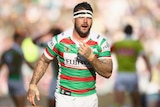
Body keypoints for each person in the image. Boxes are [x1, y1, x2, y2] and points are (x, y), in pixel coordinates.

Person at [27, 2, 113, 107]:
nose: (85, 21)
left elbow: (108, 72)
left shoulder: (100, 42)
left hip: (89, 98)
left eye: (88, 17)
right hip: (65, 98)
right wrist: (33, 84)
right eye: (81, 17)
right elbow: (44, 60)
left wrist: (91, 57)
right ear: (73, 20)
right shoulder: (59, 40)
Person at [111, 24, 151, 107]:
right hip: (132, 74)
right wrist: (150, 71)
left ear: (123, 31)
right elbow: (145, 58)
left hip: (121, 75)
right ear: (132, 32)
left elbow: (107, 52)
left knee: (118, 103)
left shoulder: (118, 43)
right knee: (136, 102)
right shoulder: (136, 44)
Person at [0, 29, 34, 107]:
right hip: (18, 81)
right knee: (21, 105)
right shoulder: (19, 51)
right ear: (18, 38)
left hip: (10, 80)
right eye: (22, 38)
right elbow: (28, 64)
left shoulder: (7, 52)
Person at [33, 27, 63, 107]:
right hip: (62, 79)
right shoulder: (65, 46)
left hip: (58, 79)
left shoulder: (51, 45)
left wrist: (46, 33)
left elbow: (34, 41)